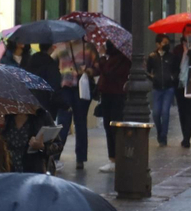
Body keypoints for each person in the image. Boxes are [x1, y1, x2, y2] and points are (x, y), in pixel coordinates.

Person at [53, 39, 96, 170]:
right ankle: (55, 156)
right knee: (63, 123)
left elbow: (97, 67)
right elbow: (51, 62)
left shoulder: (88, 48)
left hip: (81, 89)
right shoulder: (60, 48)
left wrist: (88, 71)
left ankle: (80, 158)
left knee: (81, 123)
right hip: (65, 89)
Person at [95, 41, 133, 173]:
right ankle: (113, 158)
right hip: (108, 95)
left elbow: (108, 71)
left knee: (114, 127)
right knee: (108, 126)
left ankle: (117, 159)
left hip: (116, 95)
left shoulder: (121, 58)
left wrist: (102, 57)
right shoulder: (112, 56)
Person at [145, 35, 176, 146]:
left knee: (165, 112)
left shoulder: (171, 57)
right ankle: (159, 131)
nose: (166, 45)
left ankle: (163, 136)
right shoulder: (152, 57)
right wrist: (153, 78)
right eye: (164, 42)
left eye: (167, 42)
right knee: (156, 113)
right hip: (157, 88)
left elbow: (175, 70)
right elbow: (148, 71)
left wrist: (172, 77)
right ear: (158, 44)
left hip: (168, 88)